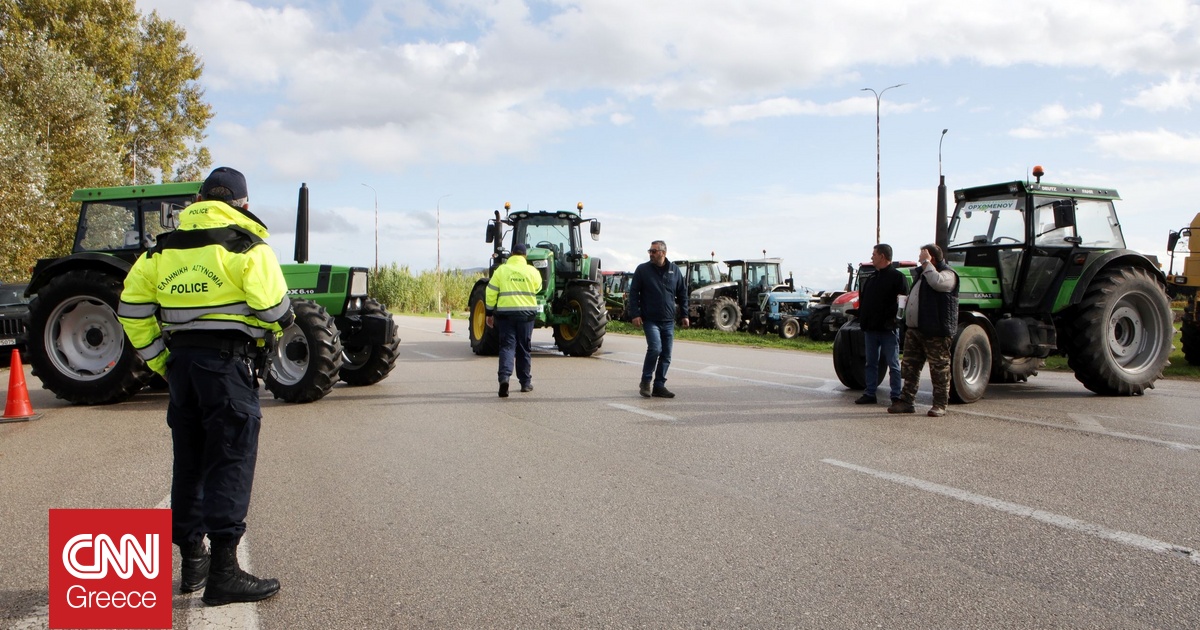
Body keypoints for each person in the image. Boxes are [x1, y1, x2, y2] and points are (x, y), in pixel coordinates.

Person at [118, 167, 293, 606]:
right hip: (228, 367)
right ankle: (225, 575)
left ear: (197, 201)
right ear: (244, 205)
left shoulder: (161, 251)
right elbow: (275, 312)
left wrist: (161, 361)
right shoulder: (249, 247)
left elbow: (131, 310)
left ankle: (193, 563)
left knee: (190, 464)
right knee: (229, 462)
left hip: (182, 367)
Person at [888, 243, 959, 417]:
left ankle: (940, 404)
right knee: (910, 367)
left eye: (922, 255)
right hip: (915, 330)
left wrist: (927, 263)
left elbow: (938, 283)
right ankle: (906, 401)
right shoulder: (922, 274)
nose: (919, 259)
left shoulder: (948, 274)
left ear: (931, 257)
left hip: (936, 331)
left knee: (939, 369)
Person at [627, 240, 690, 398]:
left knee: (666, 354)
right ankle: (646, 381)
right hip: (650, 319)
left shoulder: (674, 270)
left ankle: (659, 386)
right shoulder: (643, 270)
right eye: (650, 251)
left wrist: (685, 315)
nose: (651, 254)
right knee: (655, 348)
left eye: (654, 251)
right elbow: (633, 293)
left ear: (663, 253)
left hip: (668, 320)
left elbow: (682, 294)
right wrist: (635, 314)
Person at [485, 242, 543, 397]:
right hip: (526, 315)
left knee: (507, 347)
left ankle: (504, 378)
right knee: (524, 347)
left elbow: (490, 292)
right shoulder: (532, 271)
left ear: (511, 254)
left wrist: (489, 313)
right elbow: (538, 288)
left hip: (506, 315)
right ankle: (525, 383)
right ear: (525, 256)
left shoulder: (501, 270)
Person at [855, 243, 909, 406]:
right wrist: (863, 320)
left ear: (882, 256)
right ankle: (870, 393)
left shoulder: (898, 278)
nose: (872, 257)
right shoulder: (872, 278)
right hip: (871, 329)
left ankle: (896, 395)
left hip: (888, 330)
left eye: (874, 254)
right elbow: (865, 302)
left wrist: (894, 321)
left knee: (893, 364)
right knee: (870, 363)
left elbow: (902, 303)